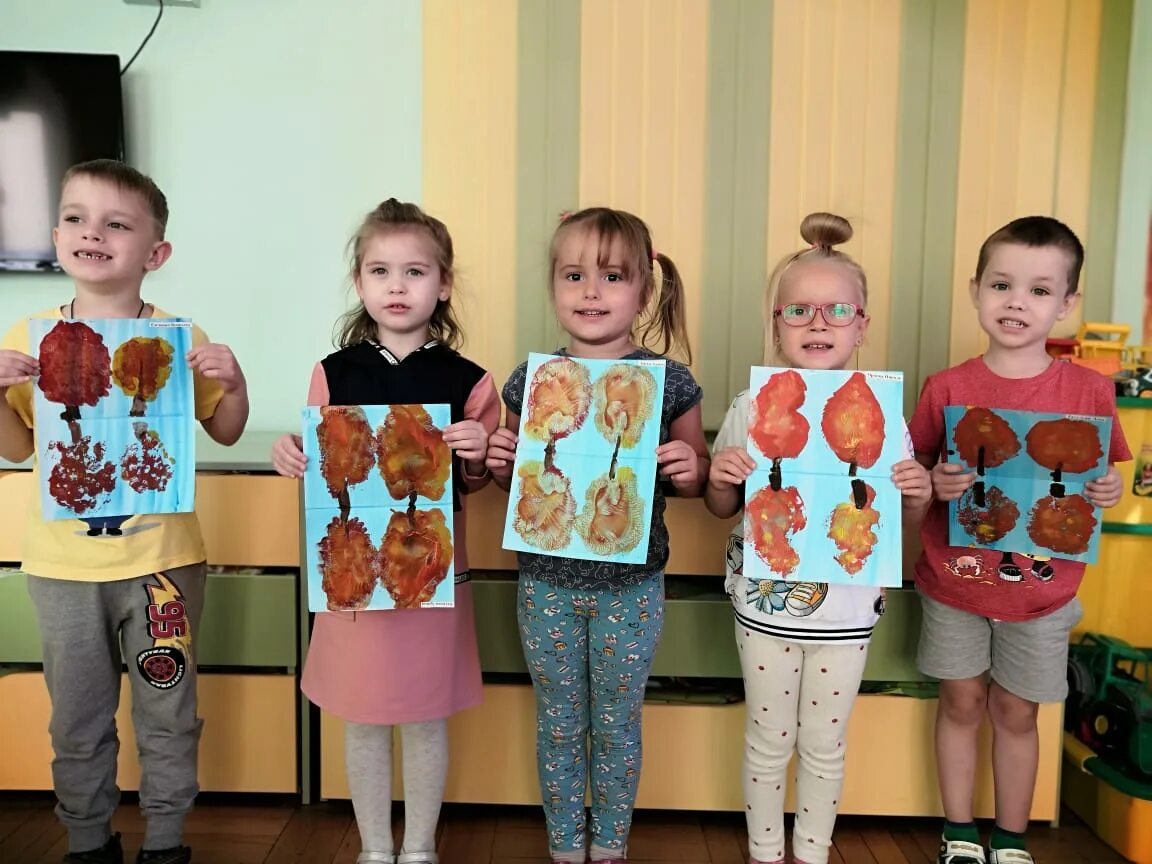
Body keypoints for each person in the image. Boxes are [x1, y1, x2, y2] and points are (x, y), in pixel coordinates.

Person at [0, 159, 250, 864]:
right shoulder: (27, 335)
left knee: (166, 709)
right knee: (78, 715)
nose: (93, 233)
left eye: (117, 223)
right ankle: (87, 840)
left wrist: (234, 382)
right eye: (77, 218)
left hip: (162, 567)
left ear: (155, 252)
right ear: (55, 236)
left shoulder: (181, 334)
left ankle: (166, 842)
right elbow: (18, 448)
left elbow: (226, 429)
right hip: (61, 568)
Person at [271, 198, 498, 864]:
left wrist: (480, 449)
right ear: (360, 284)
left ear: (444, 284)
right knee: (363, 717)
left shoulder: (469, 381)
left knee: (426, 718)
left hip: (430, 577)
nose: (397, 286)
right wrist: (292, 453)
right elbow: (321, 468)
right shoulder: (333, 373)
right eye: (380, 271)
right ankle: (375, 849)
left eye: (415, 271)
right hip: (354, 578)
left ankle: (420, 848)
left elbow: (479, 484)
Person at [705, 212, 932, 864]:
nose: (818, 324)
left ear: (862, 323)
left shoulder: (885, 414)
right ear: (776, 324)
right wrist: (723, 477)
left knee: (826, 745)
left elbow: (901, 523)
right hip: (764, 609)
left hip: (847, 612)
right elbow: (723, 505)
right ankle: (764, 851)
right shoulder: (752, 407)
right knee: (767, 738)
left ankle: (812, 851)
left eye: (836, 310)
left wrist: (915, 494)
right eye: (799, 311)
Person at [485, 207, 710, 863]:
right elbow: (516, 486)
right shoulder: (530, 381)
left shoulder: (670, 383)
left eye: (612, 277)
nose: (591, 292)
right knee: (558, 721)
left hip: (631, 588)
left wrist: (688, 468)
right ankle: (564, 843)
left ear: (643, 289)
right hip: (546, 583)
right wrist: (501, 463)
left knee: (616, 721)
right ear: (554, 286)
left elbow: (693, 483)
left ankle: (609, 844)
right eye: (574, 275)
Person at [909, 216, 1131, 864]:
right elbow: (912, 473)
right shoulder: (945, 387)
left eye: (1039, 291)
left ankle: (1009, 838)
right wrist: (935, 481)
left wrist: (1107, 494)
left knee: (1016, 712)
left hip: (1044, 593)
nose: (1016, 302)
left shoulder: (1090, 391)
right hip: (955, 582)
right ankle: (957, 832)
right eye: (1002, 285)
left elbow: (1103, 475)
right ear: (975, 289)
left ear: (1067, 303)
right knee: (961, 699)